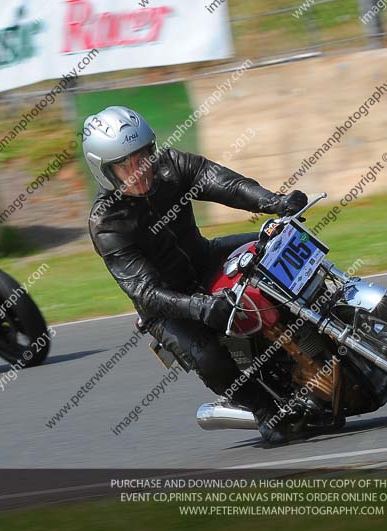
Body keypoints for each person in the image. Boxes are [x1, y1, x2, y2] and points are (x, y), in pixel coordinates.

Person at [84, 106, 308, 444]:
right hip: (167, 304)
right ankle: (265, 412)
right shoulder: (107, 222)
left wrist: (275, 203)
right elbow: (145, 292)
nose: (139, 170)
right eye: (125, 165)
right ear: (104, 171)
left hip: (204, 257)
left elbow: (225, 184)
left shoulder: (172, 165)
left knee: (280, 239)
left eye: (142, 156)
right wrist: (200, 307)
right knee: (207, 352)